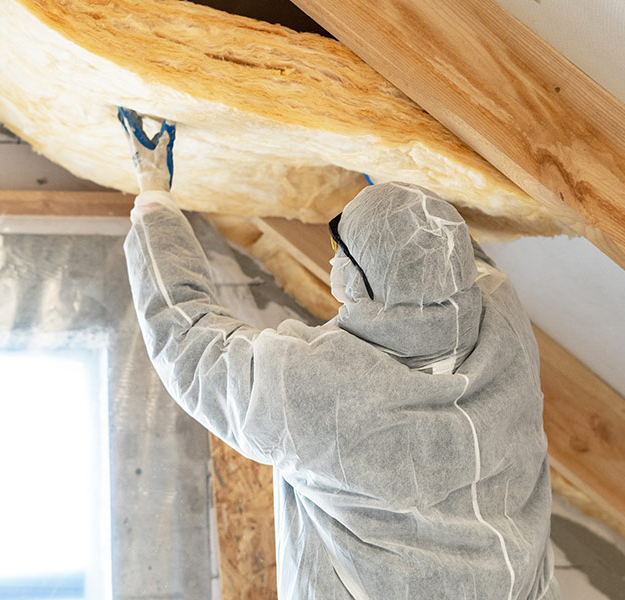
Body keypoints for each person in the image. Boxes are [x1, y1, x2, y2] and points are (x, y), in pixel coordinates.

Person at [119, 107, 561, 600]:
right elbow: (453, 261)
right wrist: (398, 201)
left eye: (339, 243)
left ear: (355, 277)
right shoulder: (503, 320)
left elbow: (186, 340)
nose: (330, 254)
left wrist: (153, 194)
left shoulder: (317, 391)